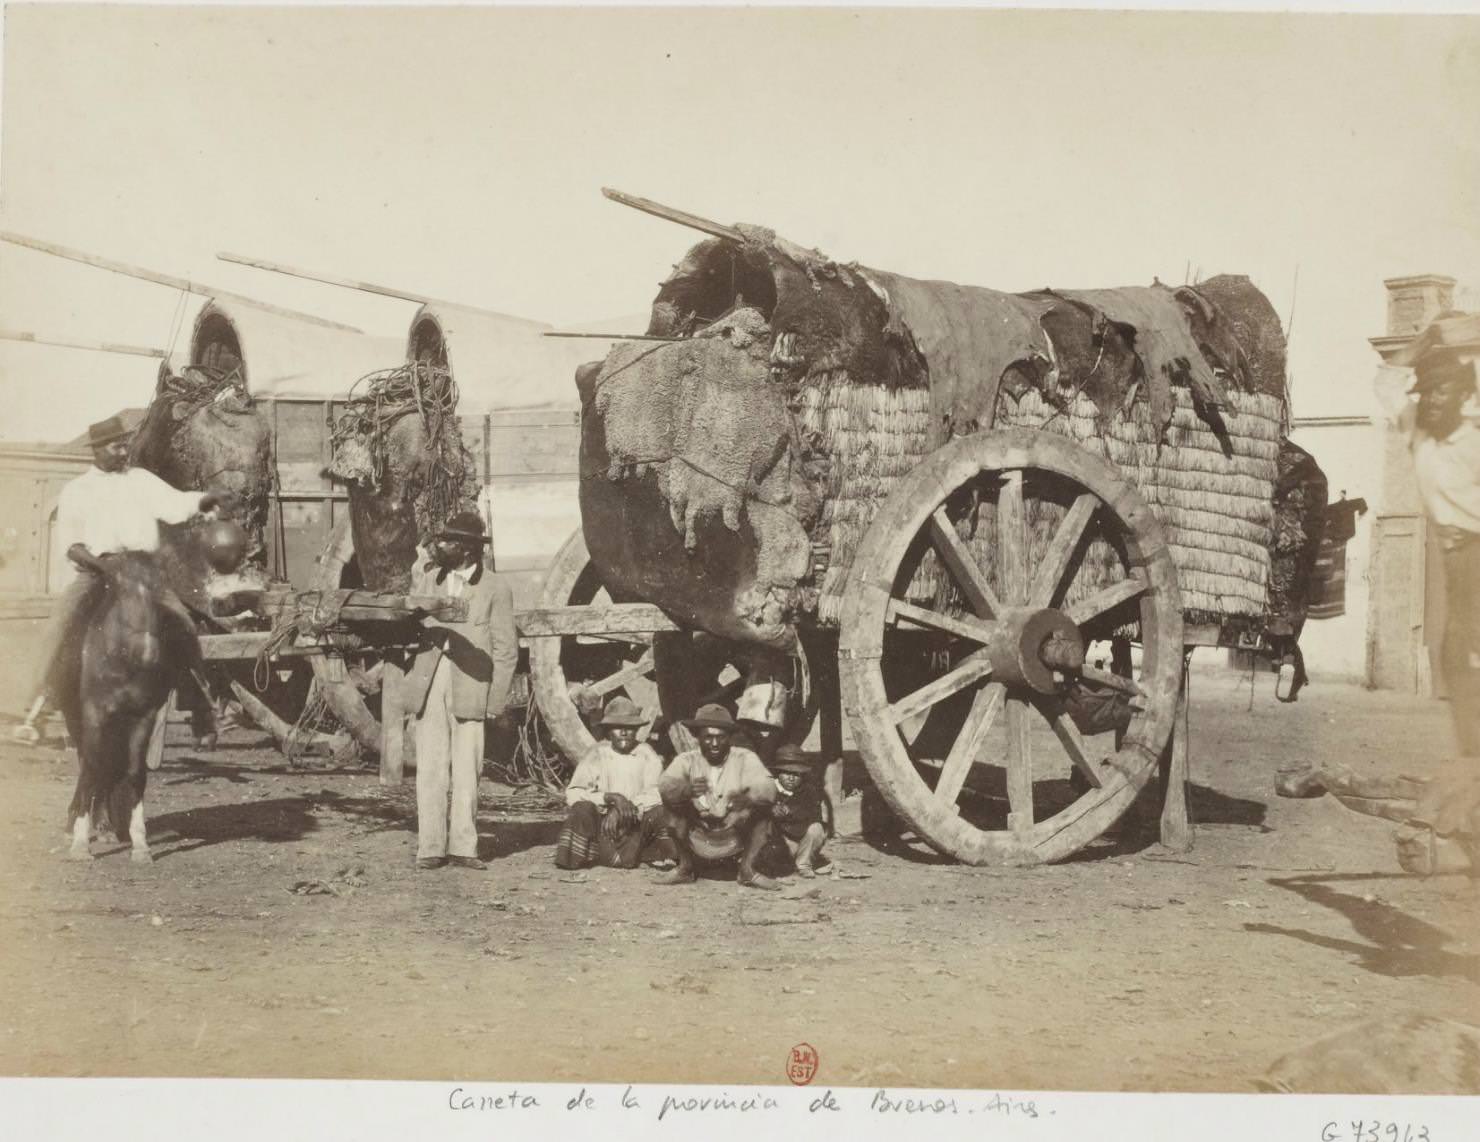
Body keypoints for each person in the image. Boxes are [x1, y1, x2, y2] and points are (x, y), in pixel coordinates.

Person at [13, 415, 225, 746]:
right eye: (116, 445)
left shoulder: (140, 480)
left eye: (125, 443)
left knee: (182, 624)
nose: (124, 450)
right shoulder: (77, 491)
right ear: (96, 450)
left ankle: (202, 712)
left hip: (145, 569)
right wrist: (102, 567)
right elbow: (72, 545)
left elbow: (175, 504)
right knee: (61, 622)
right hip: (99, 568)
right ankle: (36, 707)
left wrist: (206, 502)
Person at [403, 511, 518, 870]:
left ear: (468, 549)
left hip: (472, 683)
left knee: (468, 768)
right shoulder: (429, 578)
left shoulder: (495, 588)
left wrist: (495, 700)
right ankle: (431, 847)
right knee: (430, 766)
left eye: (449, 541)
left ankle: (464, 847)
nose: (440, 546)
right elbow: (409, 616)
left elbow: (506, 649)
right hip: (430, 680)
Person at [1379, 349, 1480, 757]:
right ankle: (1471, 757)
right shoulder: (1418, 431)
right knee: (1452, 650)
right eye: (1430, 393)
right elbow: (1385, 384)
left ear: (1462, 395)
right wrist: (1423, 341)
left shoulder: (1473, 441)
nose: (1436, 400)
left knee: (1462, 643)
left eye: (1445, 391)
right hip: (1453, 552)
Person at [656, 703, 779, 890]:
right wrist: (686, 790)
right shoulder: (686, 760)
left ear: (730, 737)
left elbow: (768, 788)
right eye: (708, 737)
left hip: (734, 832)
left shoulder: (745, 757)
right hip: (698, 830)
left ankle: (747, 870)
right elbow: (666, 785)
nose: (714, 743)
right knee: (670, 808)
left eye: (721, 737)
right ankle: (685, 867)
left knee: (763, 811)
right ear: (697, 736)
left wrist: (748, 799)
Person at [554, 696, 673, 870]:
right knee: (581, 809)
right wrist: (609, 798)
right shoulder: (597, 753)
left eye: (630, 728)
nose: (624, 733)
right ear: (609, 731)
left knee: (661, 812)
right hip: (604, 826)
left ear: (637, 730)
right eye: (618, 728)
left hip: (634, 824)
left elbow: (656, 791)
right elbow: (573, 793)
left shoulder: (646, 754)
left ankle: (658, 854)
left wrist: (627, 807)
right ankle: (594, 853)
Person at [767, 745, 832, 878]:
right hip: (778, 843)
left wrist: (791, 812)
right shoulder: (768, 789)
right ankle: (774, 866)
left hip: (800, 843)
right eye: (786, 773)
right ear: (777, 772)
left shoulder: (809, 791)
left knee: (817, 828)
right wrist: (770, 810)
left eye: (796, 774)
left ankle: (803, 864)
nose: (791, 778)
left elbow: (815, 815)